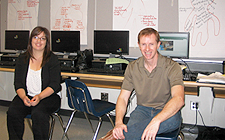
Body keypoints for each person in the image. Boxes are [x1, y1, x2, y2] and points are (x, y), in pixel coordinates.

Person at [111, 28, 185, 140]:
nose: (147, 49)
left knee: (129, 133)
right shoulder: (132, 67)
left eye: (151, 44)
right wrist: (118, 123)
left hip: (166, 112)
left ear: (158, 44)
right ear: (139, 45)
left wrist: (156, 121)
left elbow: (178, 99)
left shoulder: (172, 66)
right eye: (143, 44)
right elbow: (123, 98)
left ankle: (112, 137)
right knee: (129, 129)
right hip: (142, 110)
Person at [7, 26, 62, 140]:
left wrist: (39, 96)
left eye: (42, 38)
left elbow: (55, 84)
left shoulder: (52, 59)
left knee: (39, 114)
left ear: (46, 42)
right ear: (31, 39)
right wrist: (23, 97)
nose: (38, 41)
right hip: (26, 96)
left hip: (47, 97)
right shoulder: (22, 59)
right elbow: (18, 84)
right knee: (13, 112)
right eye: (36, 37)